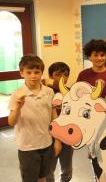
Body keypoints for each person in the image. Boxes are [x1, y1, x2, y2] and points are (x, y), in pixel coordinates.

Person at [8, 54, 61, 182]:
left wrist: (57, 140)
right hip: (28, 147)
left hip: (46, 143)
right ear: (22, 73)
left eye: (37, 72)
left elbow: (54, 116)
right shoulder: (17, 94)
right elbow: (11, 122)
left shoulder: (49, 92)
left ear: (42, 73)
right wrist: (18, 107)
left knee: (44, 176)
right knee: (30, 178)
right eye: (29, 72)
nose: (33, 76)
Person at [45, 62, 73, 182]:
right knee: (49, 169)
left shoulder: (71, 92)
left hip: (67, 135)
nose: (62, 78)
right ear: (51, 76)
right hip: (50, 136)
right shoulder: (46, 92)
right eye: (57, 75)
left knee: (67, 168)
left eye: (65, 75)